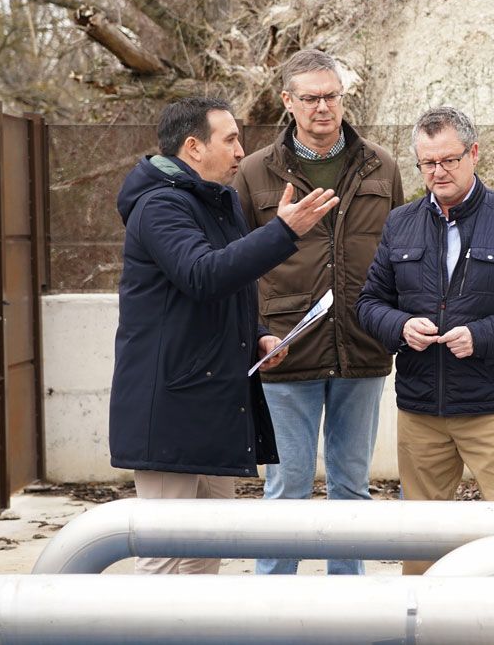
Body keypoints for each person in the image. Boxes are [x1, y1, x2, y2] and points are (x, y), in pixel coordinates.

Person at [109, 96, 338, 575]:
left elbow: (229, 289)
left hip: (212, 400)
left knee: (205, 554)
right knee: (165, 556)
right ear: (193, 147)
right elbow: (202, 274)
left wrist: (257, 335)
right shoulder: (159, 205)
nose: (241, 151)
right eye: (230, 139)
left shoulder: (220, 200)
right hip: (169, 406)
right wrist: (283, 232)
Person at [357, 106, 494, 574]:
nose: (438, 172)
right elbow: (370, 304)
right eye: (428, 163)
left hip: (492, 408)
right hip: (421, 410)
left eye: (449, 160)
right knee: (422, 541)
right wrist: (400, 328)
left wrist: (482, 335)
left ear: (473, 154)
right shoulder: (400, 224)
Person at [233, 49, 404, 576]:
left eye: (331, 96)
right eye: (309, 98)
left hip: (361, 346)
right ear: (288, 102)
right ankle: (274, 607)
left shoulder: (381, 164)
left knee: (352, 486)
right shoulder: (255, 172)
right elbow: (236, 265)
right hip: (287, 350)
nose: (323, 108)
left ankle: (346, 605)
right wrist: (260, 332)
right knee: (287, 486)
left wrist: (393, 324)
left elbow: (400, 251)